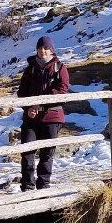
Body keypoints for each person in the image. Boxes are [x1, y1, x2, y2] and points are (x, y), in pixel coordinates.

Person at [16, 35, 70, 190]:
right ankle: (27, 186)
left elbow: (62, 91)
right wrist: (28, 108)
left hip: (52, 117)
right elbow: (22, 93)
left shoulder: (60, 68)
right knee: (27, 152)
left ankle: (43, 186)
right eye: (40, 48)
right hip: (31, 118)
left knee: (47, 154)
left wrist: (39, 104)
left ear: (51, 50)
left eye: (46, 48)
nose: (42, 51)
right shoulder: (30, 69)